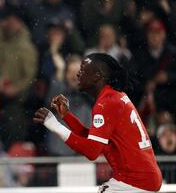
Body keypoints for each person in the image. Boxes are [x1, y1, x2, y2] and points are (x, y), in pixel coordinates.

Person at [34, 53, 162, 192]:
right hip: (141, 179)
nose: (78, 74)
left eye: (82, 70)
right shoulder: (115, 97)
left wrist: (55, 126)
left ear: (97, 76)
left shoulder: (106, 103)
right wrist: (66, 116)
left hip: (135, 182)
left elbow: (91, 151)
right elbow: (91, 138)